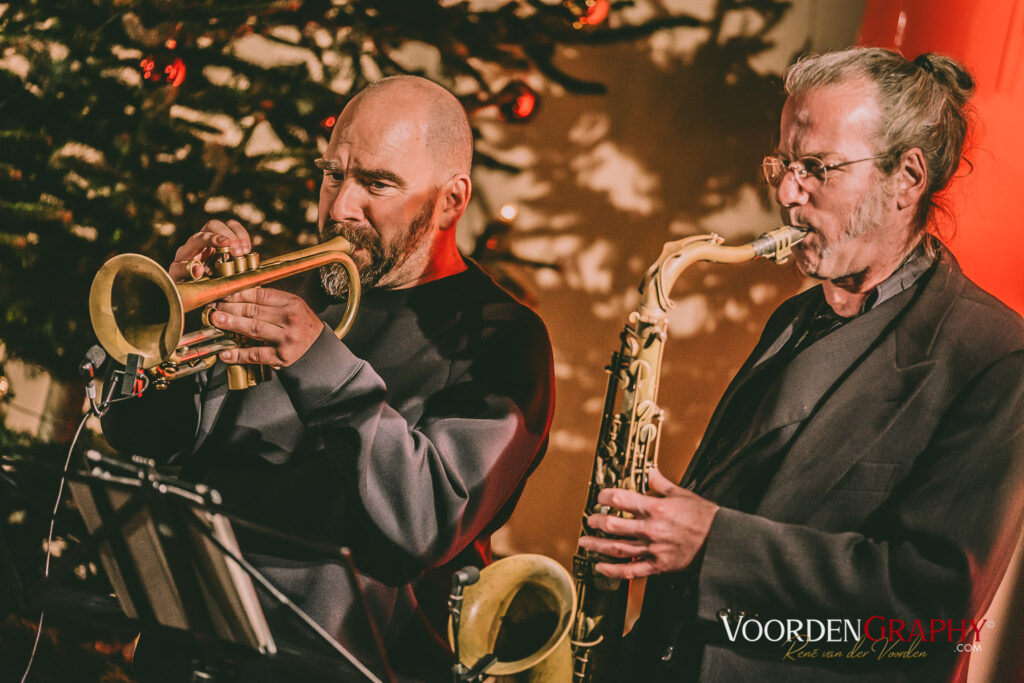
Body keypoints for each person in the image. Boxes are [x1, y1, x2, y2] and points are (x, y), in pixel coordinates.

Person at [579, 48, 1024, 682]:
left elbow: (934, 608)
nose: (788, 193)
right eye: (785, 165)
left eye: (818, 168)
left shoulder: (995, 355)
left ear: (907, 178)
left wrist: (713, 544)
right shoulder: (794, 318)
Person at [100, 75, 554, 681]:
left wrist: (319, 362)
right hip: (193, 655)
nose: (340, 206)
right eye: (333, 174)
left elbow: (431, 519)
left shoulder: (499, 338)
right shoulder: (291, 287)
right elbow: (151, 436)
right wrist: (169, 333)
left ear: (451, 200)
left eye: (377, 184)